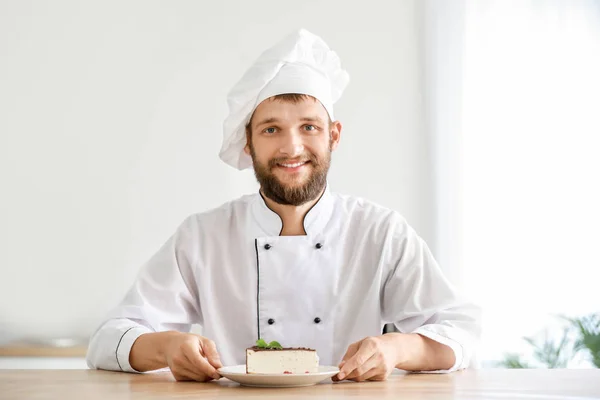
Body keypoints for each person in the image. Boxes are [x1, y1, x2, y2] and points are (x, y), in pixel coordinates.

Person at [86, 29, 481, 383]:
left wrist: (396, 349)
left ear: (334, 136)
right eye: (271, 129)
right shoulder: (203, 236)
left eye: (309, 126)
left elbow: (461, 332)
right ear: (248, 142)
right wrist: (167, 346)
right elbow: (108, 338)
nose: (292, 148)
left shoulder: (380, 232)